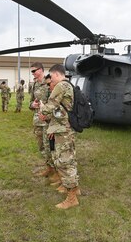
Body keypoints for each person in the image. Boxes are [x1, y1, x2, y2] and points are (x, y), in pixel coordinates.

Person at [38, 64, 80, 209]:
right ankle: (74, 189)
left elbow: (51, 104)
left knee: (64, 162)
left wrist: (42, 112)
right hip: (64, 129)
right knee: (69, 160)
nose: (51, 80)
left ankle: (72, 197)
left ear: (55, 74)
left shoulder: (61, 86)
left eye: (51, 77)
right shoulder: (67, 85)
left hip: (64, 130)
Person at [29, 63, 57, 182]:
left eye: (34, 71)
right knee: (41, 147)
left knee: (50, 147)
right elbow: (30, 103)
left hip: (48, 121)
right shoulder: (34, 84)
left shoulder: (49, 82)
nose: (33, 73)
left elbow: (56, 103)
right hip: (37, 120)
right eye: (32, 71)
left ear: (41, 70)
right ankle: (49, 168)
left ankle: (57, 171)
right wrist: (32, 105)